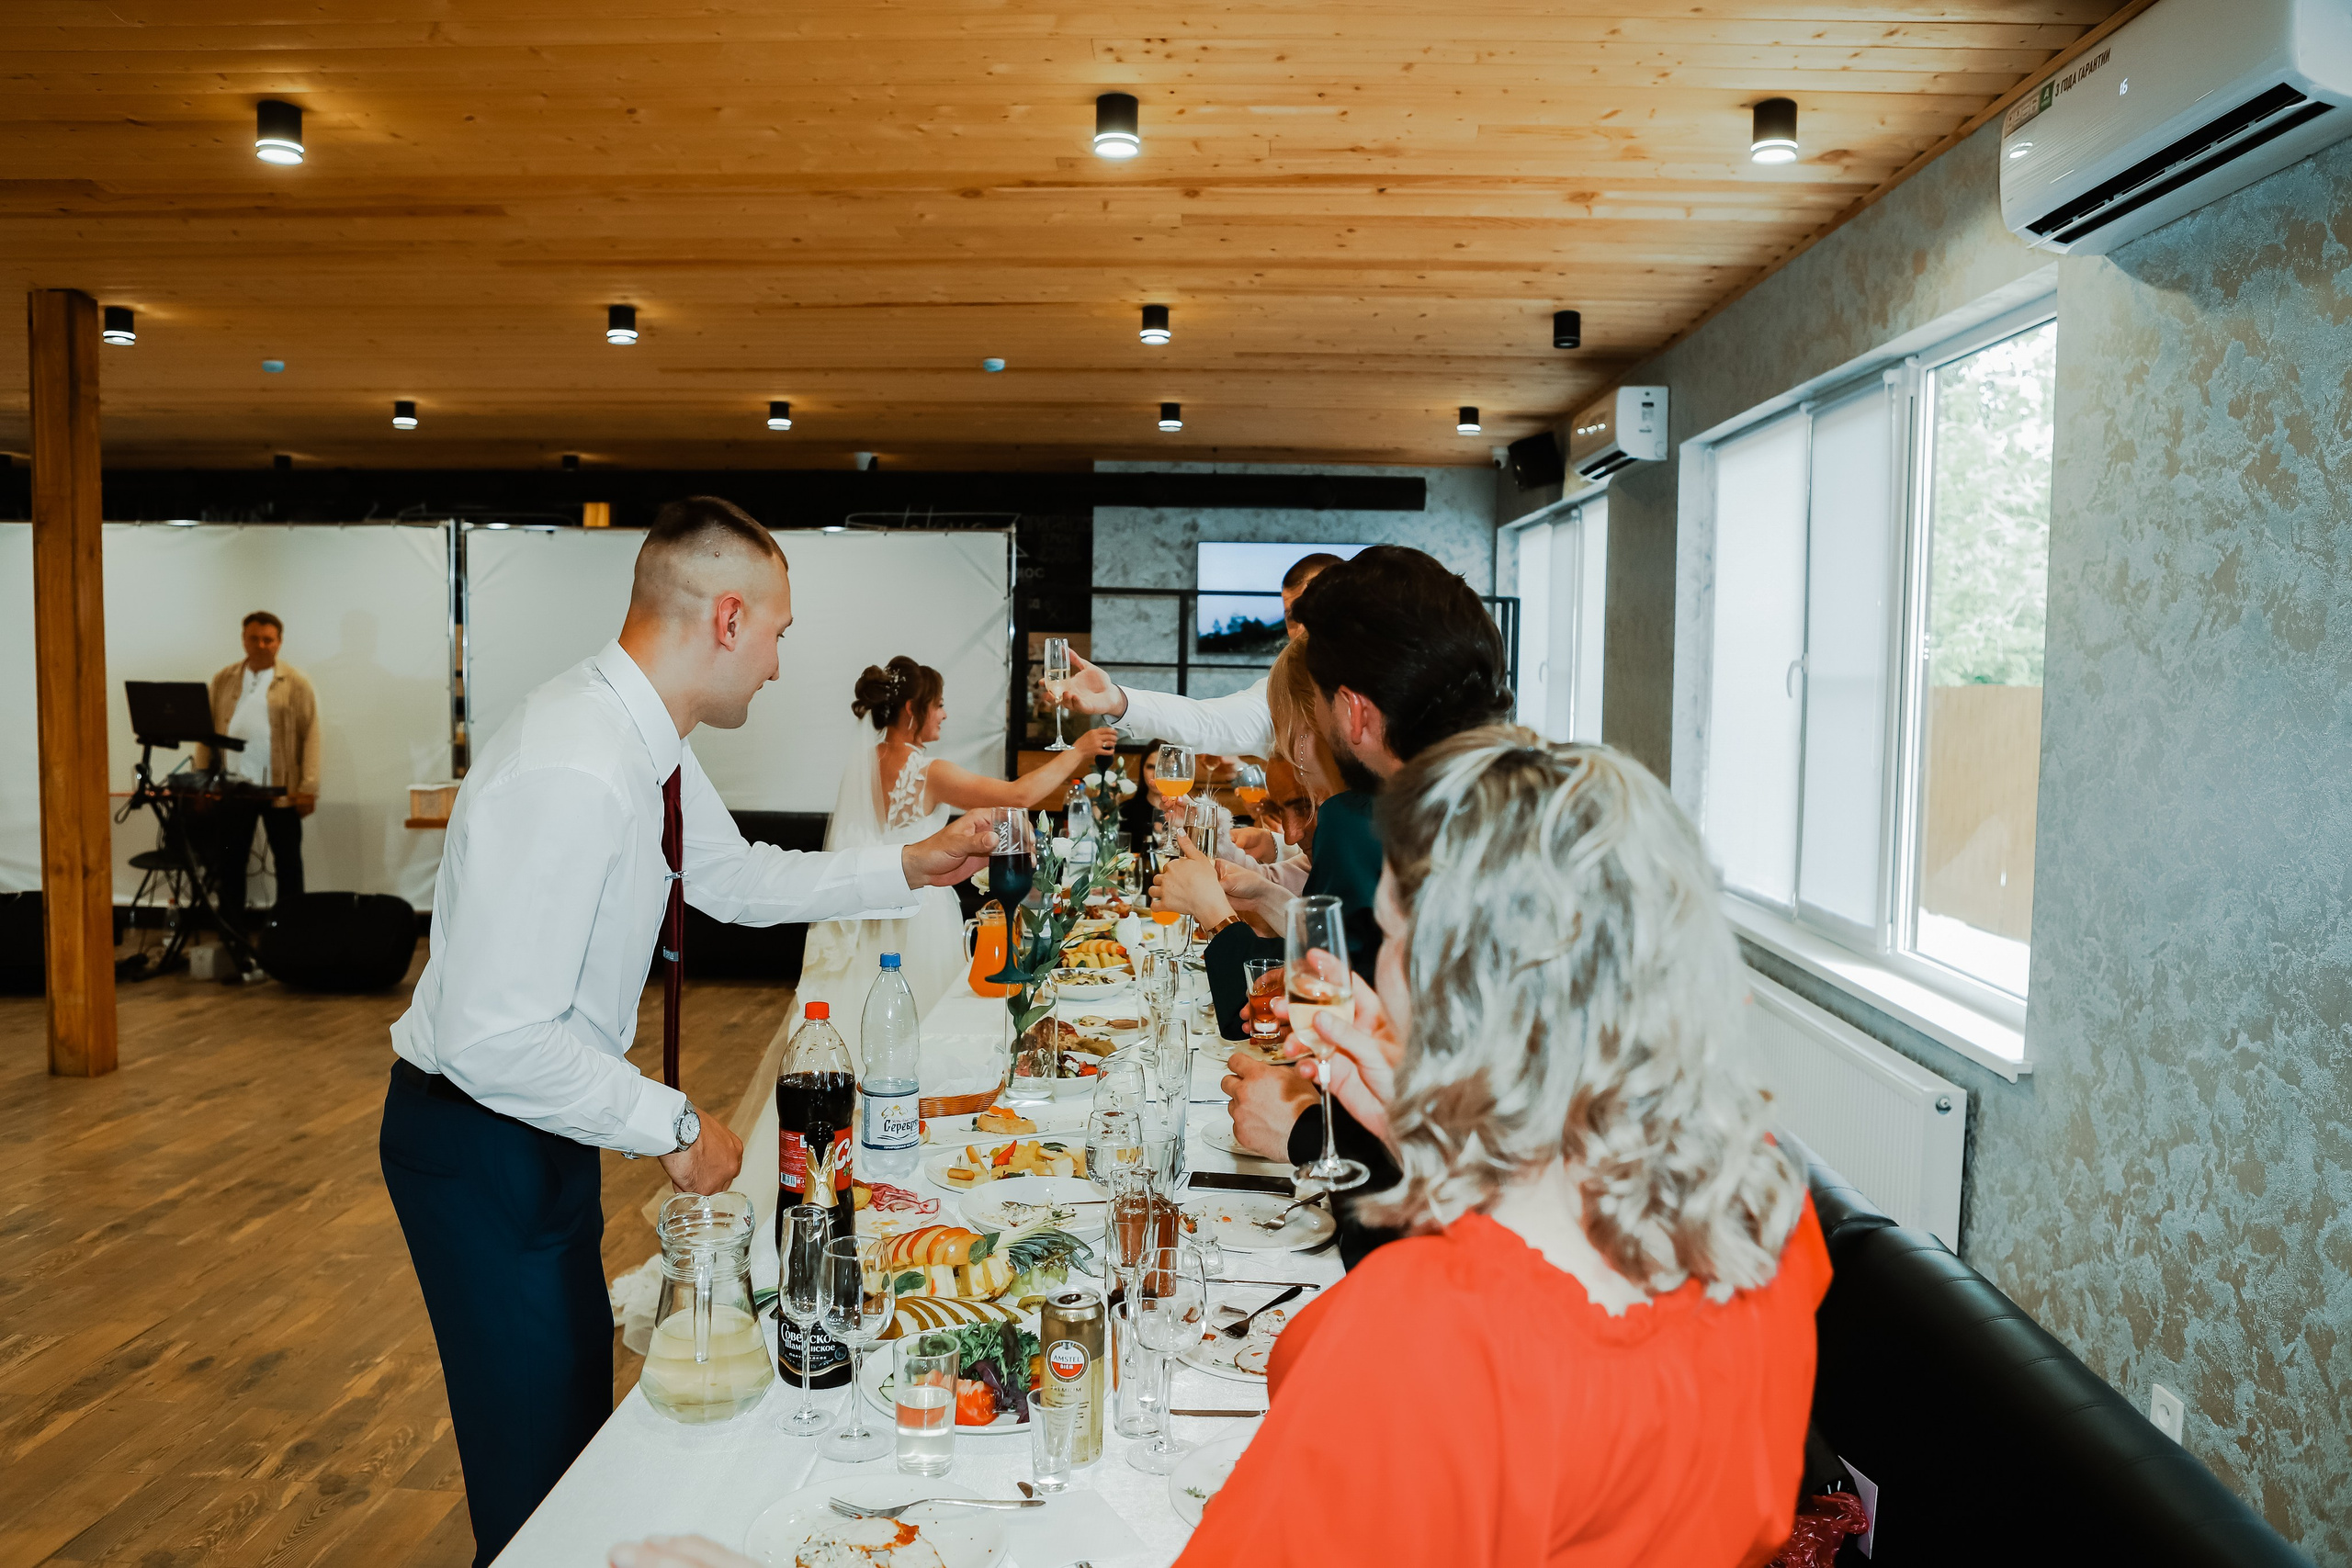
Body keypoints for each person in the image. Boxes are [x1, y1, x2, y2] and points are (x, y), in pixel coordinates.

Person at [380, 498, 989, 1568]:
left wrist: (908, 864)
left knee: (571, 1445)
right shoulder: (573, 761)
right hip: (480, 1136)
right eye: (777, 635)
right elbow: (492, 1037)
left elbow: (735, 879)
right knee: (535, 1483)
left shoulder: (644, 738)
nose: (778, 665)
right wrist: (672, 1122)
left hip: (537, 1124)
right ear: (726, 618)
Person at [1176, 729, 1830, 1568]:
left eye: (1392, 938)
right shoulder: (1769, 1216)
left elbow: (1367, 1397)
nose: (1381, 968)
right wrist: (1433, 1140)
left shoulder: (1429, 1336)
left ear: (1461, 992)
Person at [800, 654, 1116, 1063]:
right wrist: (1078, 750)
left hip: (866, 908)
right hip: (920, 915)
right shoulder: (927, 772)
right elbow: (1018, 795)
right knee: (929, 1023)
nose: (944, 715)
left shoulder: (862, 765)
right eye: (939, 704)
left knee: (865, 1011)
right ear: (912, 709)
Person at [1052, 549, 1339, 754]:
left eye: (1313, 611)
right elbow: (1208, 721)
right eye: (1293, 617)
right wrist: (1118, 700)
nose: (1302, 628)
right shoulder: (1282, 694)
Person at [191, 610, 320, 924]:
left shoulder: (296, 682)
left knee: (288, 863)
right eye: (254, 638)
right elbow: (206, 733)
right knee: (230, 863)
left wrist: (308, 788)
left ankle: (290, 931)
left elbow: (312, 734)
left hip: (282, 790)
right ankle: (233, 935)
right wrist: (200, 781)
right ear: (244, 640)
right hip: (233, 788)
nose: (261, 645)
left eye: (268, 639)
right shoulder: (223, 679)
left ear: (279, 642)